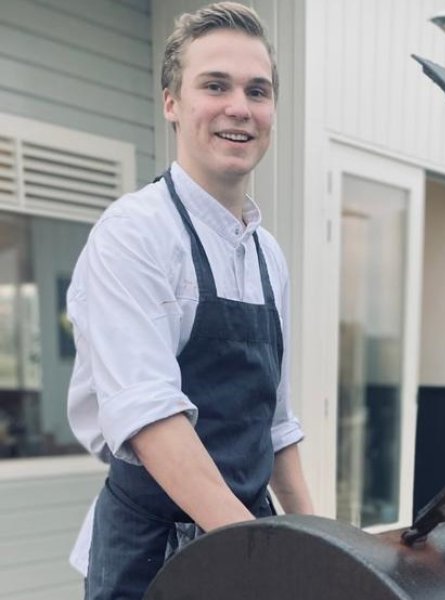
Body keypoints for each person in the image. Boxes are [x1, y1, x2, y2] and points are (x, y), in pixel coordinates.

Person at [66, 3, 313, 598]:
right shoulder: (134, 234)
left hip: (247, 536)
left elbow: (275, 425)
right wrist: (262, 554)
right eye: (215, 85)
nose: (239, 107)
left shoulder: (267, 256)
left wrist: (317, 541)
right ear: (172, 102)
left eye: (258, 90)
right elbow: (151, 420)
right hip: (151, 556)